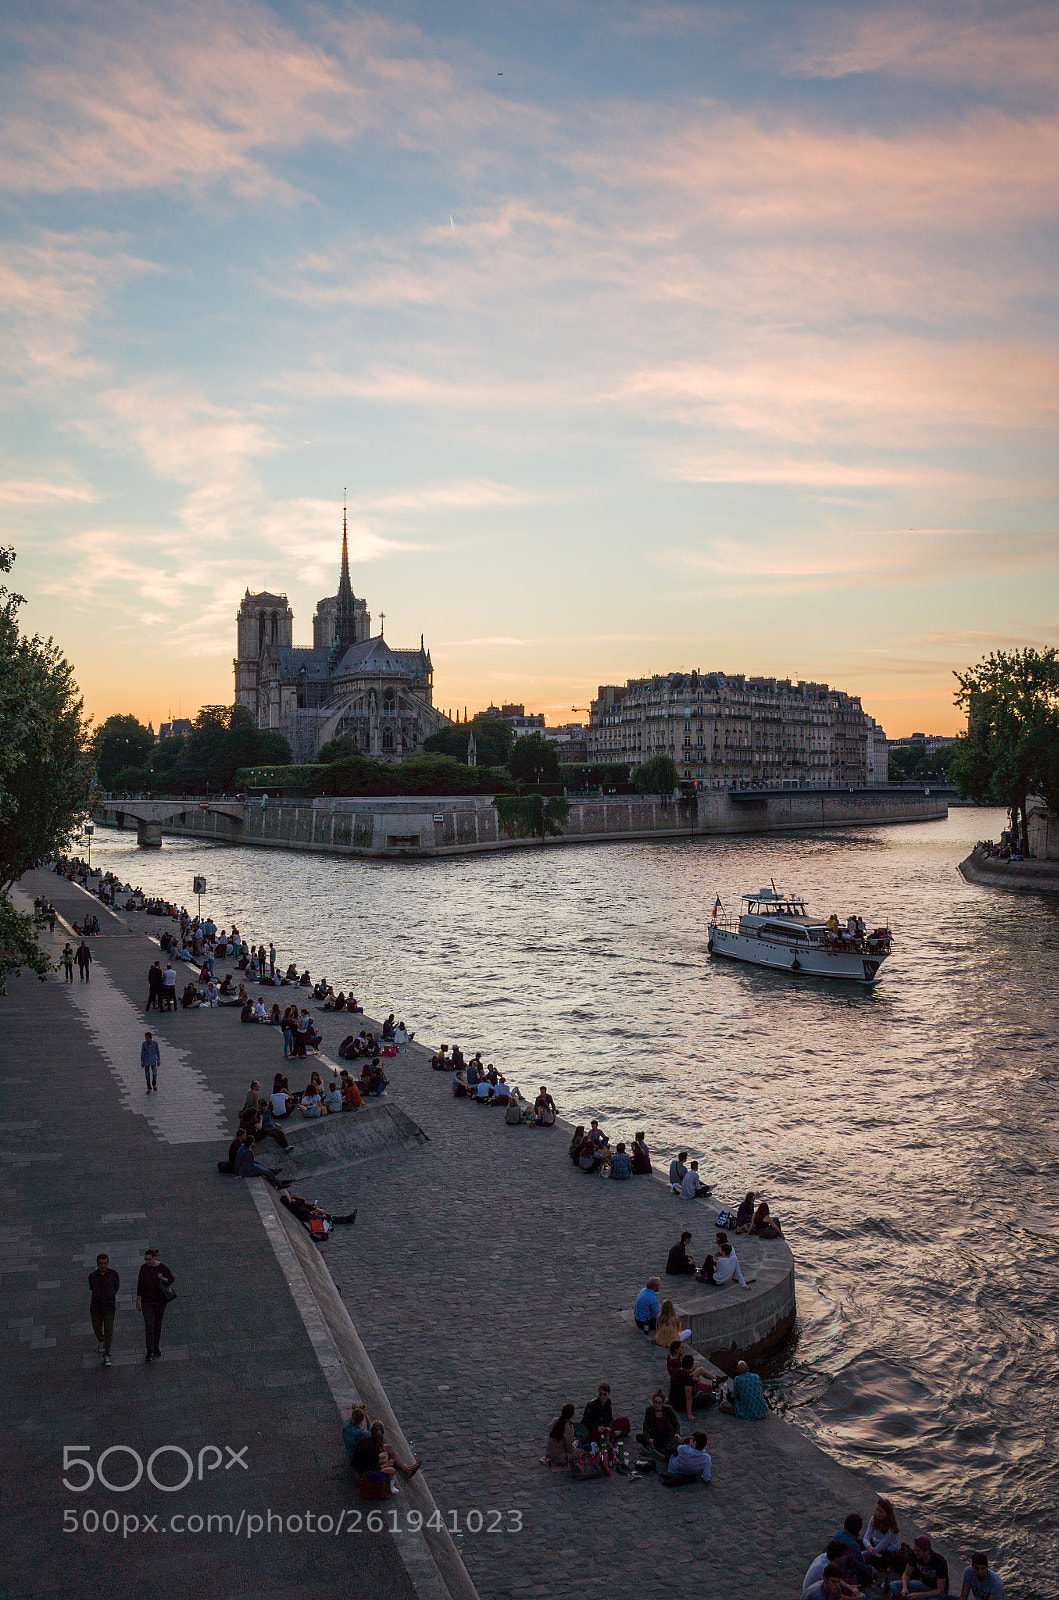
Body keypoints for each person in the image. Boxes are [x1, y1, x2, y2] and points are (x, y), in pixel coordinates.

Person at [135, 1247, 174, 1362]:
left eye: (149, 1259)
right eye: (146, 1259)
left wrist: (163, 1278)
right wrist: (138, 1300)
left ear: (154, 1257)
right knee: (149, 1325)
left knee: (157, 1324)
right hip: (147, 1301)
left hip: (159, 1301)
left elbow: (171, 1279)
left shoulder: (162, 1268)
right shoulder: (143, 1269)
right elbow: (140, 1284)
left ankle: (156, 1345)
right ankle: (149, 1350)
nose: (147, 1262)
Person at [350, 1421, 421, 1482]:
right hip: (362, 1475)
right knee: (392, 1471)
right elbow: (374, 1468)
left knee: (388, 1448)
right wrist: (388, 1464)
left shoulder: (366, 1440)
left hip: (363, 1465)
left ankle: (406, 1468)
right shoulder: (373, 1450)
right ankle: (406, 1470)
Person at [891, 1534, 949, 1598]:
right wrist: (904, 1588)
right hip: (923, 1585)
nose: (915, 1552)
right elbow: (907, 1573)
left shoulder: (939, 1562)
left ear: (926, 1552)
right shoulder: (915, 1555)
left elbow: (940, 1590)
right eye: (915, 1549)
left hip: (934, 1591)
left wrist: (919, 1595)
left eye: (918, 1551)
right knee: (894, 1585)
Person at [88, 1252, 119, 1368]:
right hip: (96, 1307)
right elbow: (92, 1288)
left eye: (105, 1263)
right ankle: (101, 1340)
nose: (103, 1266)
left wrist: (110, 1295)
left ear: (108, 1262)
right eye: (101, 1263)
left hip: (109, 1307)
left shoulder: (113, 1274)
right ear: (97, 1264)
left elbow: (117, 1287)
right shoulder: (92, 1276)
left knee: (109, 1331)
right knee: (96, 1328)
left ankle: (107, 1355)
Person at [636, 1390, 681, 1460]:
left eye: (659, 1403)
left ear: (663, 1403)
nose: (657, 1405)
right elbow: (645, 1427)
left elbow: (676, 1423)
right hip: (655, 1434)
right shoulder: (649, 1410)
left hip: (666, 1433)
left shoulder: (668, 1410)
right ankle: (656, 1445)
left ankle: (660, 1446)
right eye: (655, 1402)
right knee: (639, 1437)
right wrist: (649, 1439)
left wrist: (677, 1433)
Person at [863, 1498, 902, 1570]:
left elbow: (880, 1547)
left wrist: (862, 1554)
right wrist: (869, 1546)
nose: (878, 1513)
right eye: (877, 1510)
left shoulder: (891, 1529)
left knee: (872, 1559)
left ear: (887, 1514)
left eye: (881, 1512)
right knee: (858, 1544)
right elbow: (866, 1538)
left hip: (888, 1551)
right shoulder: (873, 1520)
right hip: (876, 1545)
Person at [541, 1404, 576, 1469]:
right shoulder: (568, 1428)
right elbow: (569, 1448)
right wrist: (575, 1444)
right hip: (560, 1457)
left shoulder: (555, 1421)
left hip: (550, 1453)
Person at [342, 1404, 371, 1473]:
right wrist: (367, 1417)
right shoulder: (360, 1432)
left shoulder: (345, 1424)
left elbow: (351, 1418)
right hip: (357, 1456)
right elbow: (370, 1434)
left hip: (350, 1452)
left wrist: (355, 1410)